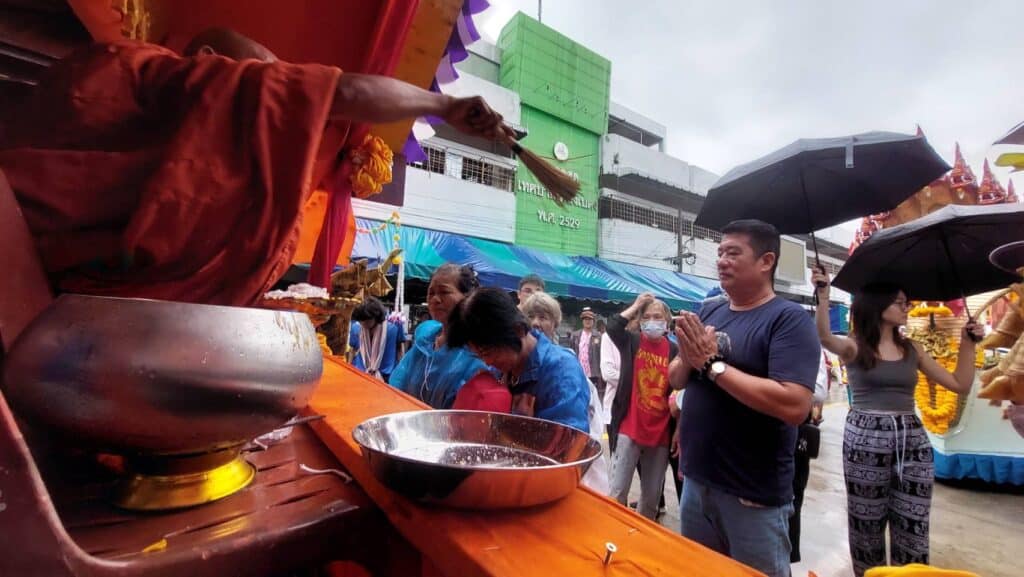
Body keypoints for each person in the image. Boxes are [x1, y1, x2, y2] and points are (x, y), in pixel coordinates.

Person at [0, 28, 509, 306]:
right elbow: (344, 93)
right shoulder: (152, 76)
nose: (271, 86)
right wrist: (443, 107)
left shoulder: (119, 81)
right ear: (206, 59)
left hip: (57, 305)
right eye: (261, 74)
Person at [668, 219, 820, 577]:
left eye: (733, 253)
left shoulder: (788, 319)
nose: (721, 260)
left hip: (751, 495)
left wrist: (711, 364)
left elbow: (795, 405)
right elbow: (675, 377)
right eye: (720, 253)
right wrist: (690, 356)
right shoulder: (710, 311)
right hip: (696, 483)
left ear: (766, 261)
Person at [811, 268, 982, 577]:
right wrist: (823, 296)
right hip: (865, 440)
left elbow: (959, 383)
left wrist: (968, 343)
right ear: (879, 305)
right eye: (900, 302)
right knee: (867, 523)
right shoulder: (854, 346)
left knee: (913, 523)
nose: (907, 308)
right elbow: (823, 336)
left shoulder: (912, 349)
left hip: (912, 439)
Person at [447, 288, 590, 433]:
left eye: (488, 352)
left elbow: (569, 443)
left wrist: (518, 433)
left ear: (518, 330)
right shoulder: (498, 371)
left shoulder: (561, 371)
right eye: (479, 355)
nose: (487, 362)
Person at [520, 291, 610, 494]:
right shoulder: (521, 365)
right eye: (530, 317)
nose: (535, 323)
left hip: (568, 472)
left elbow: (574, 435)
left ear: (554, 324)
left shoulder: (564, 365)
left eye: (543, 317)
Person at [606, 292, 677, 520]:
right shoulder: (632, 340)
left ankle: (640, 542)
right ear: (640, 319)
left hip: (660, 434)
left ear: (666, 321)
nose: (653, 321)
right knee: (617, 493)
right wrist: (637, 304)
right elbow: (613, 327)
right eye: (647, 317)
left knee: (650, 500)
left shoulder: (675, 351)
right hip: (630, 428)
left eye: (658, 316)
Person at [389, 264, 490, 409]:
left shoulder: (476, 352)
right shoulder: (425, 340)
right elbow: (398, 384)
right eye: (431, 293)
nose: (435, 299)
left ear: (468, 297)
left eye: (444, 292)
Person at [788, 351, 830, 564]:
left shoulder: (807, 341)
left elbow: (819, 391)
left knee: (792, 500)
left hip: (792, 432)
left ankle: (787, 558)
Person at [349, 297, 402, 383]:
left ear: (376, 317)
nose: (363, 324)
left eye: (367, 320)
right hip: (360, 373)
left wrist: (401, 371)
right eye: (361, 321)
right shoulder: (356, 328)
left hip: (386, 376)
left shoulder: (393, 328)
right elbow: (353, 350)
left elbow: (399, 349)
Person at [571, 307, 603, 391]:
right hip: (579, 371)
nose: (587, 321)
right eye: (585, 319)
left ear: (593, 321)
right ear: (582, 321)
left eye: (590, 319)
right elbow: (571, 352)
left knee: (593, 395)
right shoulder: (575, 335)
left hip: (593, 372)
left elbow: (602, 354)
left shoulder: (598, 336)